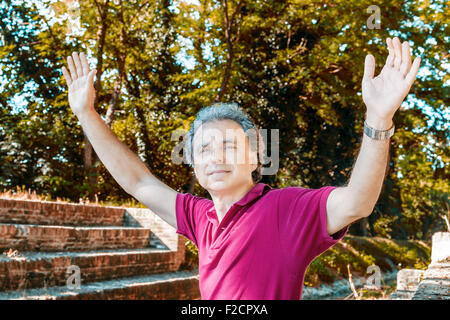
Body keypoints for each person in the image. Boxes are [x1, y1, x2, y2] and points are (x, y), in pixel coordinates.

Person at [61, 37, 420, 299]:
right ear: (194, 164)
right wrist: (86, 114)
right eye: (203, 148)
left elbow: (359, 200)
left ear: (256, 157)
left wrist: (378, 118)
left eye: (229, 146)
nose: (215, 156)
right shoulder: (198, 217)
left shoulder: (287, 209)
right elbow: (137, 180)